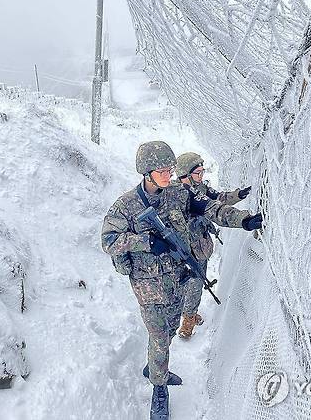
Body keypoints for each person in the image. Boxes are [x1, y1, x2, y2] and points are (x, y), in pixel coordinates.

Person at [100, 141, 262, 420]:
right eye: (162, 170)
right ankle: (159, 389)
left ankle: (154, 367)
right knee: (160, 337)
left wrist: (243, 220)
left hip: (176, 279)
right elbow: (108, 241)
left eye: (170, 169)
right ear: (146, 172)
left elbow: (210, 208)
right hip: (148, 286)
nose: (168, 175)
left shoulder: (178, 194)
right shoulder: (125, 206)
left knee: (171, 329)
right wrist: (146, 242)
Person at [173, 152, 253, 339]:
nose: (201, 177)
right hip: (180, 249)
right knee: (189, 284)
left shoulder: (200, 189)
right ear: (185, 174)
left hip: (199, 247)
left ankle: (189, 314)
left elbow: (218, 200)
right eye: (197, 173)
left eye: (202, 172)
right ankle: (187, 318)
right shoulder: (174, 194)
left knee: (196, 282)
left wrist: (238, 195)